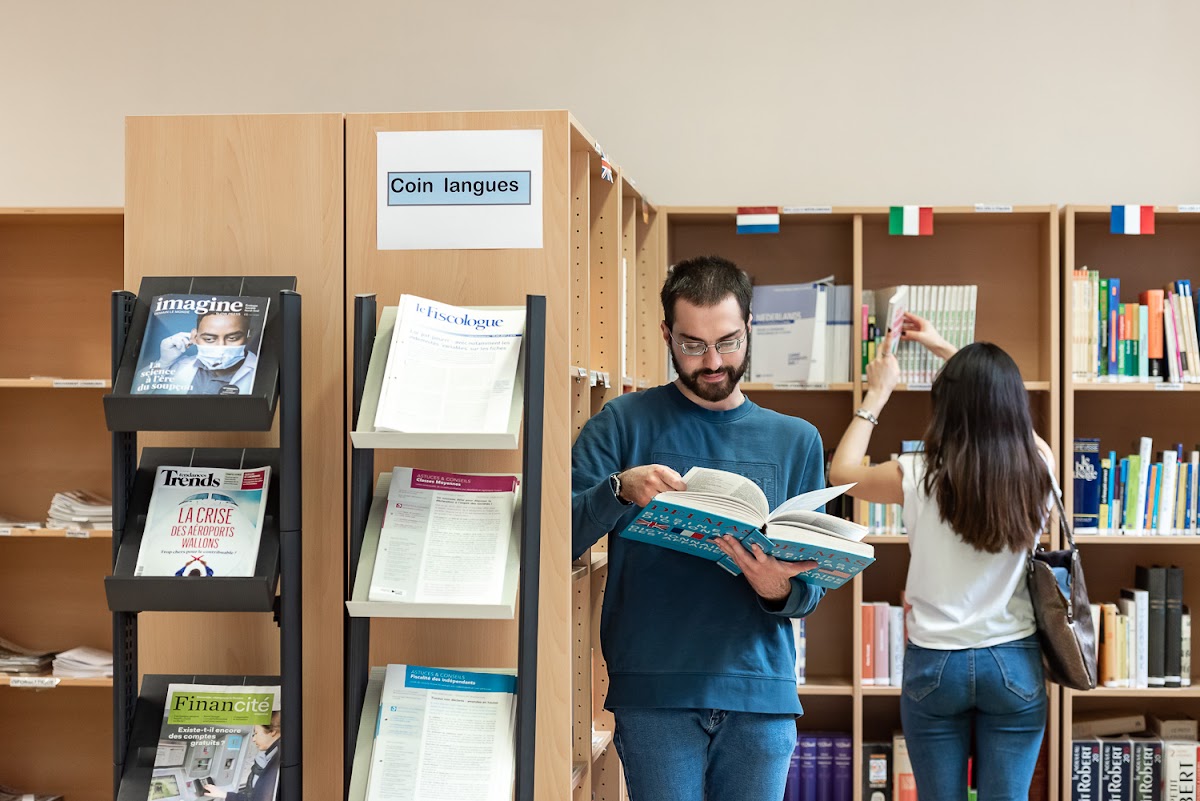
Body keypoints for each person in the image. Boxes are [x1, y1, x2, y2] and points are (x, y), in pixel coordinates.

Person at [572, 255, 827, 801]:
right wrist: (616, 491)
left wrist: (778, 588)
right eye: (692, 345)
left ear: (749, 327)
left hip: (760, 694)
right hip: (654, 692)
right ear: (667, 333)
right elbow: (556, 539)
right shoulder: (622, 423)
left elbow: (813, 586)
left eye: (729, 342)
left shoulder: (796, 440)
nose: (713, 362)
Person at [829, 313, 1054, 801]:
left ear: (946, 404)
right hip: (1013, 661)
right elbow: (997, 400)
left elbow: (840, 471)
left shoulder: (918, 472)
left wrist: (878, 393)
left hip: (936, 665)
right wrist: (946, 348)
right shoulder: (1039, 465)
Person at [141, 310, 259, 395]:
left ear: (249, 336)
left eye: (232, 338)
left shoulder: (260, 371)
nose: (220, 347)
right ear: (195, 336)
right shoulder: (177, 366)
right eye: (209, 339)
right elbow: (136, 396)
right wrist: (163, 363)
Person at [203, 711, 280, 801]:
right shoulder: (268, 759)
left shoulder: (277, 762)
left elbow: (261, 798)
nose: (253, 739)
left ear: (273, 732)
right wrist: (224, 794)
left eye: (256, 733)